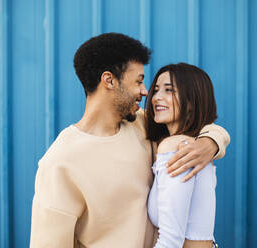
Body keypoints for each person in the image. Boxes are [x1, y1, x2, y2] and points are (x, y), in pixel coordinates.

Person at [30, 33, 230, 248]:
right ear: (109, 80)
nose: (146, 92)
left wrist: (210, 142)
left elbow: (198, 123)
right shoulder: (60, 163)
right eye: (139, 81)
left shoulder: (143, 125)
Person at [146, 63, 221, 248]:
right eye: (156, 90)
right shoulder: (194, 145)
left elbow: (170, 242)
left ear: (191, 101)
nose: (156, 97)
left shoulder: (177, 147)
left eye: (169, 90)